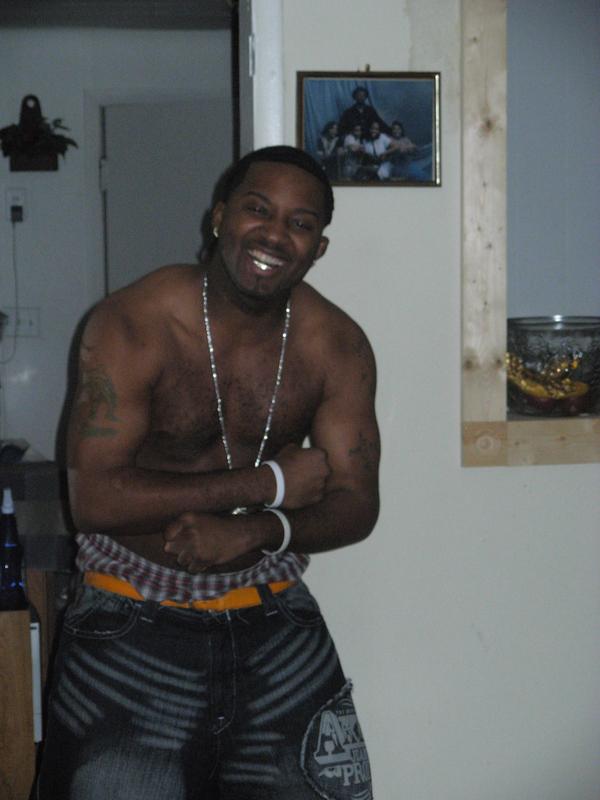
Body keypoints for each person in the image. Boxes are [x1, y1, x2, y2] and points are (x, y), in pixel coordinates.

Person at [37, 145, 380, 800]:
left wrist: (255, 530)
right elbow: (93, 500)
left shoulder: (335, 344)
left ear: (318, 249)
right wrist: (268, 485)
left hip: (274, 618)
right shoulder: (133, 323)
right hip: (130, 622)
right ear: (219, 217)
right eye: (258, 210)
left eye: (300, 223)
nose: (274, 234)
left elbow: (357, 503)